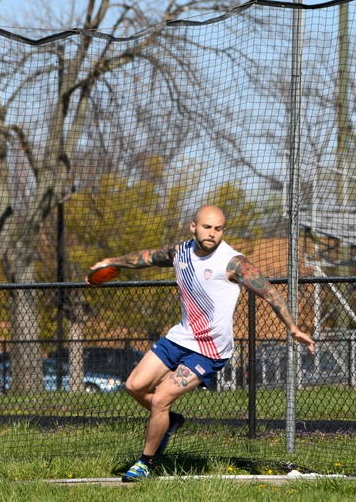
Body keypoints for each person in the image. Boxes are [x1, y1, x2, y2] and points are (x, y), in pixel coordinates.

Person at [86, 204, 316, 482]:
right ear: (193, 227)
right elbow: (145, 258)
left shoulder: (234, 262)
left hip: (209, 350)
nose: (213, 233)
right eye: (207, 227)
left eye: (218, 229)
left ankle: (145, 463)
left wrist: (292, 327)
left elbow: (270, 292)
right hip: (179, 338)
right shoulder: (179, 252)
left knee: (160, 399)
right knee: (134, 386)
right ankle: (170, 422)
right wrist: (111, 262)